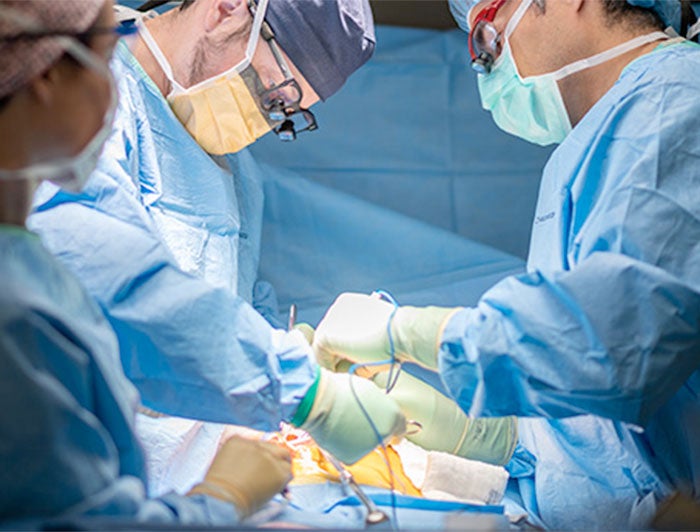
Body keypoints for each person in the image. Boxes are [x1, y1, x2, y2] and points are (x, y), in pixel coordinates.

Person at [310, 0, 700, 528]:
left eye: (487, 43)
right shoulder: (588, 147)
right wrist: (498, 439)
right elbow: (598, 421)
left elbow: (614, 342)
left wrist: (413, 332)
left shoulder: (677, 101)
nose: (485, 73)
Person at [27, 0, 406, 479]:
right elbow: (105, 288)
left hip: (197, 482)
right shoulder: (82, 99)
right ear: (225, 10)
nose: (267, 122)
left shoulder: (236, 166)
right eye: (275, 96)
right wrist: (301, 389)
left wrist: (284, 343)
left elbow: (237, 296)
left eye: (287, 114)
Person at [0, 0, 293, 526]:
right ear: (42, 76)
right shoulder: (16, 315)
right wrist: (220, 501)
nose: (117, 86)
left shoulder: (27, 269)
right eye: (106, 58)